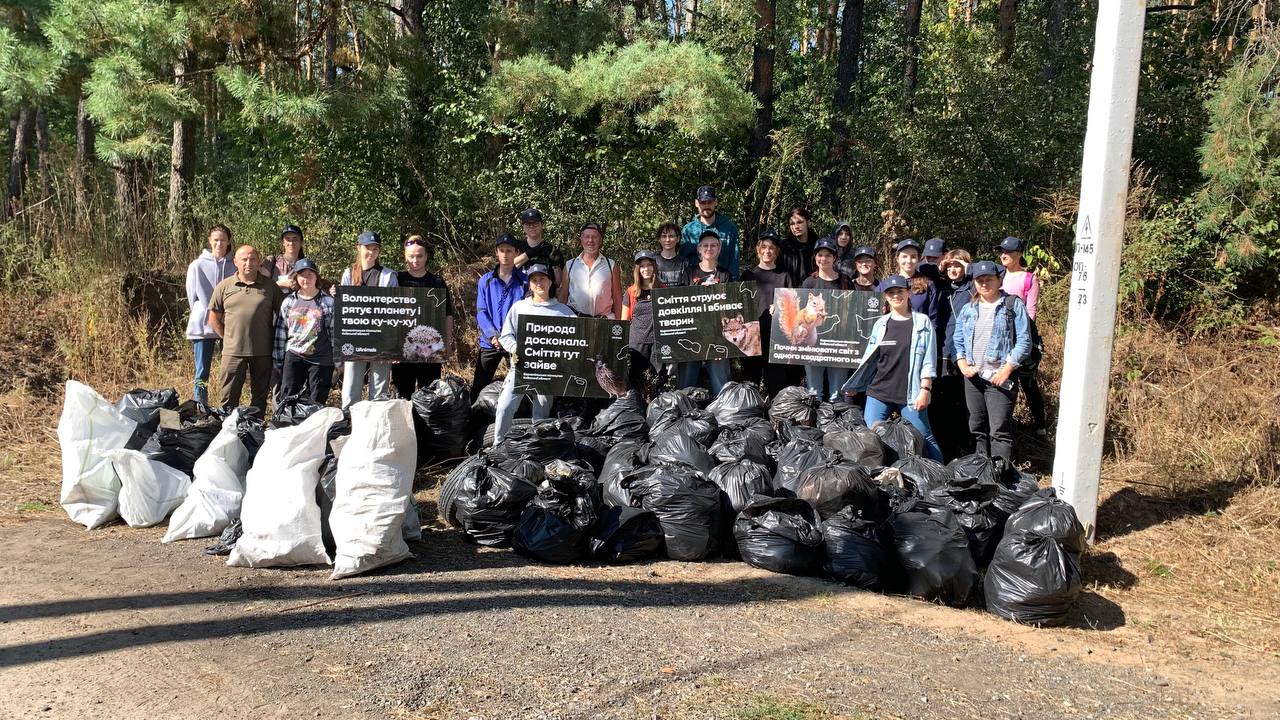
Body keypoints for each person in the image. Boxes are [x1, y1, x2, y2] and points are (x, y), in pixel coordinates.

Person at [845, 274, 943, 462]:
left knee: (924, 437)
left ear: (908, 293)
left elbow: (929, 361)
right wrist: (856, 383)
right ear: (886, 297)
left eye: (900, 291)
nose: (896, 295)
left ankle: (943, 481)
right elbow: (870, 358)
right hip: (879, 391)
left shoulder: (922, 323)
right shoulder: (881, 323)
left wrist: (925, 389)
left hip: (910, 393)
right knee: (869, 439)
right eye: (891, 293)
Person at [952, 260, 1033, 462]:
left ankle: (1000, 478)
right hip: (973, 378)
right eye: (980, 280)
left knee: (999, 430)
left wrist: (1007, 369)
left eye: (989, 279)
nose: (984, 284)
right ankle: (981, 472)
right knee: (976, 427)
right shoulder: (968, 308)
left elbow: (1024, 341)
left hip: (999, 378)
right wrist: (962, 363)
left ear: (999, 280)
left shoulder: (1012, 305)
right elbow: (958, 338)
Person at [492, 264, 576, 443]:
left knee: (542, 412)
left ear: (550, 282)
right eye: (534, 280)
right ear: (529, 284)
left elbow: (575, 341)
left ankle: (536, 447)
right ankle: (498, 446)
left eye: (542, 279)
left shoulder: (564, 312)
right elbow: (506, 335)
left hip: (549, 372)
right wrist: (516, 348)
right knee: (505, 407)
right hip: (521, 368)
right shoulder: (519, 308)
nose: (539, 283)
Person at [207, 245, 285, 413]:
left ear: (259, 263)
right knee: (228, 398)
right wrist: (228, 337)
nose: (248, 263)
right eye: (244, 259)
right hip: (233, 353)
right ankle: (227, 430)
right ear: (235, 262)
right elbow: (214, 319)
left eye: (253, 259)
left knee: (260, 397)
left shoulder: (270, 287)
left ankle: (255, 430)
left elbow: (284, 315)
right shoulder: (224, 287)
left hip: (262, 352)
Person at [337, 230, 399, 407]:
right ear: (358, 248)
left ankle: (376, 429)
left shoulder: (388, 275)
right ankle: (349, 425)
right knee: (350, 390)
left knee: (379, 393)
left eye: (375, 249)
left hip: (381, 340)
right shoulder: (349, 273)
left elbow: (395, 313)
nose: (371, 252)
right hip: (355, 338)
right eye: (367, 248)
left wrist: (392, 346)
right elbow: (344, 309)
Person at [997, 235, 1048, 436]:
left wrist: (1022, 337)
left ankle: (1040, 425)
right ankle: (1006, 423)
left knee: (1028, 382)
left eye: (1008, 252)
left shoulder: (1029, 278)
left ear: (1019, 254)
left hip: (1021, 337)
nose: (1004, 255)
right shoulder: (998, 275)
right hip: (1000, 337)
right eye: (1002, 252)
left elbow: (1031, 310)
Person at [393, 234, 454, 400]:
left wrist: (447, 344)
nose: (415, 260)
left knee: (429, 396)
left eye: (419, 256)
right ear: (405, 257)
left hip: (430, 352)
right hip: (403, 352)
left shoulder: (437, 282)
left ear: (426, 256)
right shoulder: (397, 279)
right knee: (403, 396)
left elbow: (447, 315)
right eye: (411, 256)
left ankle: (424, 427)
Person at [740, 228, 799, 397]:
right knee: (750, 385)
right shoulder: (748, 275)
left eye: (772, 248)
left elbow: (793, 308)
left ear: (777, 252)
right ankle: (750, 419)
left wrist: (781, 308)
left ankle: (775, 420)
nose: (767, 251)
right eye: (764, 247)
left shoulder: (785, 276)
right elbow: (738, 307)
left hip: (776, 339)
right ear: (758, 249)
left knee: (776, 385)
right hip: (752, 340)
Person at [471, 234, 527, 401]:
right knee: (479, 384)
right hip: (490, 342)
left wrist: (510, 338)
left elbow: (526, 312)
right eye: (501, 250)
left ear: (516, 252)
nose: (505, 254)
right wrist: (493, 335)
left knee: (520, 384)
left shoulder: (524, 281)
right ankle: (472, 417)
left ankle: (519, 420)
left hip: (515, 342)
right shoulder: (486, 281)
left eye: (509, 251)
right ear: (496, 252)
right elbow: (481, 311)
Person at [185, 224, 236, 406]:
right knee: (202, 370)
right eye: (216, 240)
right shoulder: (197, 265)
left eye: (223, 240)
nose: (219, 244)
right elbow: (192, 297)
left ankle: (226, 405)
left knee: (229, 369)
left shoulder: (234, 265)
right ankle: (201, 405)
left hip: (228, 324)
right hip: (203, 325)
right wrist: (206, 313)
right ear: (209, 241)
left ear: (228, 241)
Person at [273, 258, 334, 405]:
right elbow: (281, 332)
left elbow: (334, 333)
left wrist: (338, 361)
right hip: (294, 356)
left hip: (321, 360)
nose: (306, 278)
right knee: (287, 399)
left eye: (310, 274)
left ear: (316, 276)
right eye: (302, 275)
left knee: (317, 402)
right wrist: (278, 360)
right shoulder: (289, 302)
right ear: (296, 278)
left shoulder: (327, 302)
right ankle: (288, 425)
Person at [678, 229, 732, 394]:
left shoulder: (725, 275)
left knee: (721, 383)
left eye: (714, 245)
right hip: (692, 334)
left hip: (717, 337)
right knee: (686, 384)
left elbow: (729, 309)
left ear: (719, 248)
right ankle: (685, 414)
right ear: (699, 249)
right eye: (706, 245)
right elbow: (679, 306)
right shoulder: (689, 273)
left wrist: (720, 341)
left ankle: (723, 415)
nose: (710, 248)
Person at [800, 237, 851, 402]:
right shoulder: (809, 283)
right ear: (815, 257)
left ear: (835, 257)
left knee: (837, 394)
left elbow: (853, 310)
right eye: (820, 255)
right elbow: (800, 314)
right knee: (814, 392)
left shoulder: (845, 281)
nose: (824, 259)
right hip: (814, 344)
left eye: (828, 255)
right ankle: (815, 424)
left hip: (839, 344)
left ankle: (835, 426)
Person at [937, 249, 975, 459]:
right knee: (942, 404)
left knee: (963, 403)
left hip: (964, 354)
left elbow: (1000, 273)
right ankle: (945, 451)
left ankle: (964, 449)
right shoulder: (940, 288)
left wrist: (968, 267)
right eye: (949, 265)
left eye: (958, 265)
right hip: (941, 351)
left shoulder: (973, 288)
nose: (953, 269)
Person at [621, 250, 666, 395]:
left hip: (657, 343)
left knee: (658, 381)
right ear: (637, 270)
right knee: (637, 381)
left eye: (649, 265)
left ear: (654, 266)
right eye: (642, 266)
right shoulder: (631, 292)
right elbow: (624, 321)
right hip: (637, 344)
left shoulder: (663, 289)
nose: (646, 269)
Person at [559, 222, 623, 319]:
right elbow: (563, 297)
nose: (590, 240)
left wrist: (619, 324)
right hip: (576, 321)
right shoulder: (570, 265)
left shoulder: (611, 266)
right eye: (587, 237)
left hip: (604, 322)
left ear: (600, 240)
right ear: (581, 239)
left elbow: (617, 298)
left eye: (594, 237)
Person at [679, 185, 741, 279]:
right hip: (695, 284)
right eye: (703, 202)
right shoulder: (688, 230)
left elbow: (734, 259)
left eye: (710, 202)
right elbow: (683, 260)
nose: (707, 206)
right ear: (696, 203)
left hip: (723, 282)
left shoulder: (729, 228)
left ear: (716, 202)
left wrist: (733, 284)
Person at [891, 238, 941, 334]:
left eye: (913, 256)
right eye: (904, 256)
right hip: (894, 338)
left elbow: (933, 318)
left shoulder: (928, 285)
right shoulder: (889, 284)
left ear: (918, 258)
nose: (909, 261)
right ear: (897, 258)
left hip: (919, 339)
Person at [513, 208, 566, 289]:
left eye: (535, 223)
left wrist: (556, 266)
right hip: (521, 297)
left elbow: (560, 285)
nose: (532, 227)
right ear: (523, 227)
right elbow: (507, 268)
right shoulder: (517, 247)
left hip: (546, 298)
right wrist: (533, 252)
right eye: (528, 224)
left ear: (542, 225)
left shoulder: (552, 250)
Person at [778, 205, 819, 287]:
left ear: (808, 223)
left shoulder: (818, 246)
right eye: (792, 224)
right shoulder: (783, 247)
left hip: (814, 293)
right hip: (790, 294)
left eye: (799, 222)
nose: (796, 227)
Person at [261, 224, 308, 292]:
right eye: (288, 239)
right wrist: (280, 284)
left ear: (301, 242)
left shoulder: (305, 265)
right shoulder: (271, 261)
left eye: (295, 239)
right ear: (283, 242)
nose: (291, 243)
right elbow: (261, 286)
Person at [654, 222, 689, 287]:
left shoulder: (685, 263)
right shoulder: (653, 261)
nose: (667, 240)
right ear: (659, 239)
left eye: (671, 236)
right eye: (664, 236)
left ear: (678, 239)